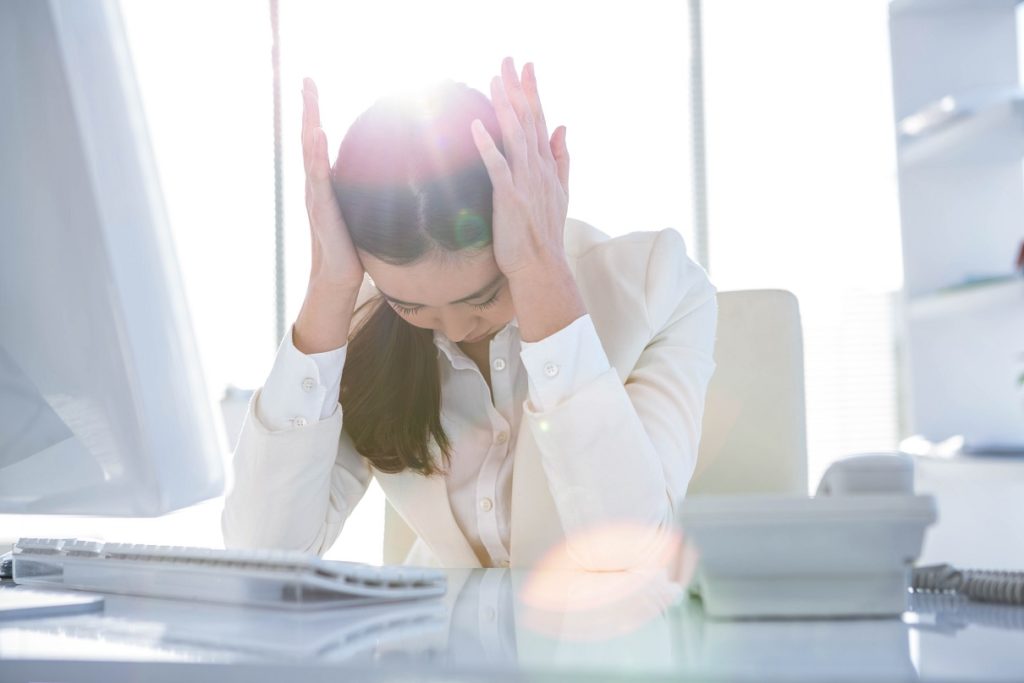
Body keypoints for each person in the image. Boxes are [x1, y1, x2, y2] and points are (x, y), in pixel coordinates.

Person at [222, 56, 718, 571]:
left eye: (482, 297)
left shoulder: (655, 287)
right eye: (408, 305)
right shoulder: (357, 330)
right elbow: (263, 555)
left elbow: (631, 554)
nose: (456, 330)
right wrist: (328, 287)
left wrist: (538, 271)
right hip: (433, 644)